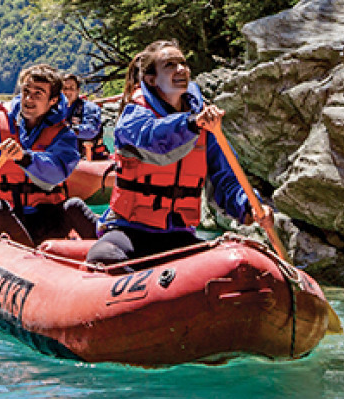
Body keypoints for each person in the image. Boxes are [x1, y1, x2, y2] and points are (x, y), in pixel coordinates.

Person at [86, 40, 273, 267]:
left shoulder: (204, 124)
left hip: (179, 233)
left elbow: (226, 178)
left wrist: (248, 205)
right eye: (170, 65)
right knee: (103, 257)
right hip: (130, 229)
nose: (181, 69)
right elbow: (155, 142)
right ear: (151, 79)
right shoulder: (134, 117)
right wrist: (191, 123)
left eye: (183, 63)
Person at [0, 64, 100, 247]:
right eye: (26, 91)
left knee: (73, 206)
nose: (28, 99)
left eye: (38, 94)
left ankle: (113, 258)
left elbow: (57, 172)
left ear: (53, 100)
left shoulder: (63, 135)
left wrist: (25, 158)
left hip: (45, 217)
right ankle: (29, 255)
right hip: (6, 217)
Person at [61, 73, 108, 160]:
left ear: (78, 90)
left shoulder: (89, 108)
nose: (67, 92)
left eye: (71, 88)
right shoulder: (55, 109)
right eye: (64, 89)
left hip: (88, 156)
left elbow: (91, 131)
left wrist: (68, 129)